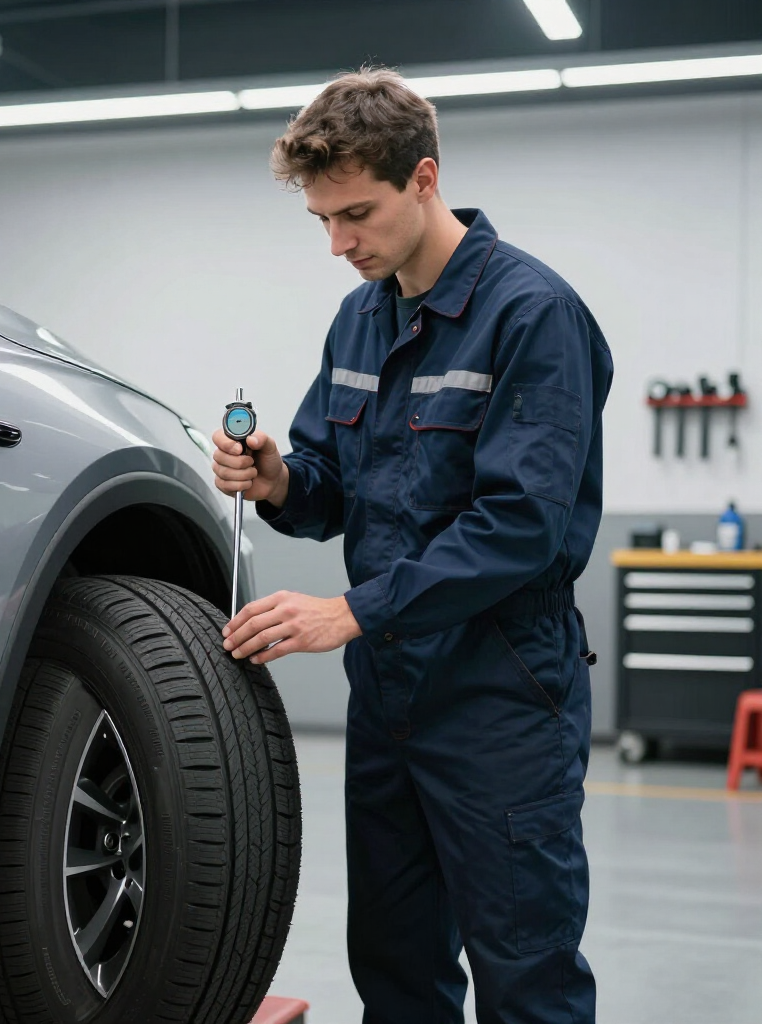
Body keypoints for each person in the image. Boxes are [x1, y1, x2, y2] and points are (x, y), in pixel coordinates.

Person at [211, 68, 613, 1024]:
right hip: (389, 697)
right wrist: (277, 479)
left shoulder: (532, 315)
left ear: (423, 178)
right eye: (321, 221)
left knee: (525, 973)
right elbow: (331, 482)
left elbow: (521, 524)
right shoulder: (362, 313)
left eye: (357, 212)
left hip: (502, 691)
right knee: (394, 964)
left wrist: (351, 611)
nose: (341, 243)